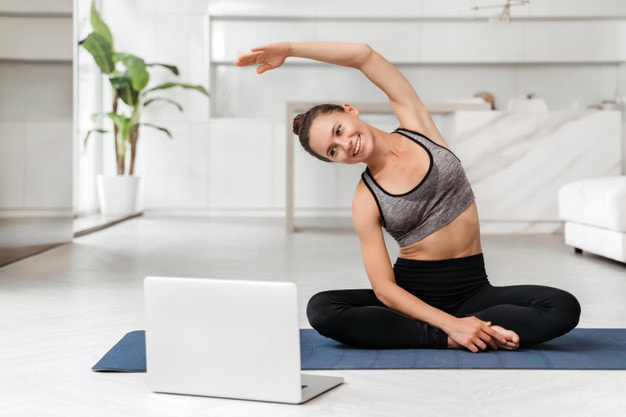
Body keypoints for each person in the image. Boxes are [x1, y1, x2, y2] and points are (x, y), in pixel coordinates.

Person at [235, 41, 581, 353]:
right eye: (333, 151)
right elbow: (385, 289)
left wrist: (292, 49)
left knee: (562, 306)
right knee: (323, 309)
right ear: (333, 161)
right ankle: (447, 335)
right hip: (412, 295)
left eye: (339, 130)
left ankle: (465, 329)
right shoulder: (366, 198)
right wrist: (450, 325)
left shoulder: (419, 128)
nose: (345, 144)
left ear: (349, 110)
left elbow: (365, 56)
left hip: (476, 291)